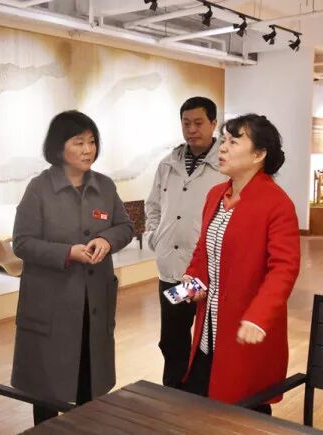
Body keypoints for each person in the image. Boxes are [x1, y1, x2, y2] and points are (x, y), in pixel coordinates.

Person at [10, 110, 134, 425]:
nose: (88, 150)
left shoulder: (104, 186)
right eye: (78, 142)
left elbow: (125, 227)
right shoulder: (39, 188)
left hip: (94, 303)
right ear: (58, 147)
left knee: (89, 382)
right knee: (47, 388)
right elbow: (22, 243)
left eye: (92, 142)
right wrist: (67, 253)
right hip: (51, 304)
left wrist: (106, 240)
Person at [180, 114, 300, 414]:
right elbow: (204, 251)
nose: (222, 147)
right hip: (209, 324)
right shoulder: (216, 195)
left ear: (259, 155)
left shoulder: (277, 203)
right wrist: (191, 282)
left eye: (234, 142)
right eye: (223, 140)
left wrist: (258, 316)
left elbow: (284, 268)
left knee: (244, 407)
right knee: (205, 399)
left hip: (246, 327)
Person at [145, 96, 225, 388]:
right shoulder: (168, 164)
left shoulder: (224, 164)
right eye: (186, 123)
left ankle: (202, 397)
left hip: (204, 273)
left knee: (207, 340)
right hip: (173, 271)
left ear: (214, 124)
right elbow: (153, 205)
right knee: (173, 338)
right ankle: (173, 394)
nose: (192, 129)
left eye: (199, 123)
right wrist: (155, 236)